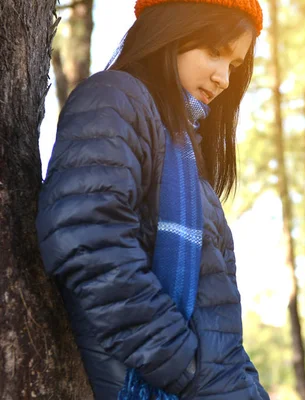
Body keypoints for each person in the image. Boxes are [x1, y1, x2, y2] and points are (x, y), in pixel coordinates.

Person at [36, 1, 269, 399]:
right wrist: (189, 372)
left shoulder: (186, 158)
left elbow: (219, 323)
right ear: (171, 31)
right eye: (215, 52)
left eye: (233, 64)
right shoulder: (114, 101)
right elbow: (90, 244)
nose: (223, 78)